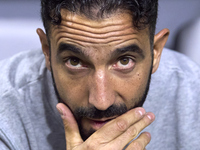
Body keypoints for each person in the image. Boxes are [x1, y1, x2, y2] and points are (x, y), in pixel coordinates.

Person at [0, 0, 200, 150]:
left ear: (155, 52)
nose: (101, 101)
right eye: (75, 62)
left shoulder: (193, 94)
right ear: (47, 51)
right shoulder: (4, 110)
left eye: (124, 61)